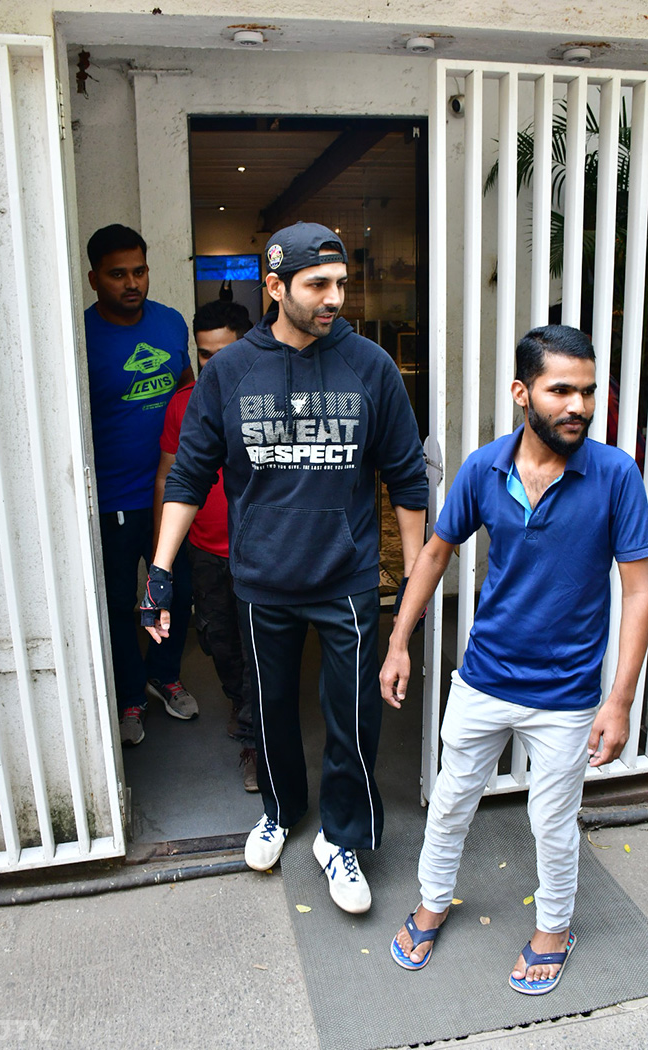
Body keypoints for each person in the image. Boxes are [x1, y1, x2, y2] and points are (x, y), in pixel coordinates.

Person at [142, 221, 428, 913]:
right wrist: (159, 572)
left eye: (340, 283)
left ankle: (343, 838)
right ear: (274, 287)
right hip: (262, 579)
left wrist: (412, 592)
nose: (335, 298)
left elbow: (409, 482)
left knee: (352, 717)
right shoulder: (233, 371)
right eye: (317, 285)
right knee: (268, 713)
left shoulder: (371, 367)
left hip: (348, 577)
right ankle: (281, 809)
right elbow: (188, 477)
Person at [380, 325, 648, 993]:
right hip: (483, 678)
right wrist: (398, 641)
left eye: (586, 391)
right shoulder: (484, 467)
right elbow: (436, 553)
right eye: (561, 390)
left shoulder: (616, 475)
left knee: (552, 823)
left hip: (566, 694)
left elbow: (639, 591)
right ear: (522, 393)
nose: (578, 406)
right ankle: (432, 903)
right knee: (449, 803)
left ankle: (553, 927)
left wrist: (619, 702)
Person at [85, 223, 197, 747]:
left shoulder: (172, 324)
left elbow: (189, 397)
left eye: (139, 271)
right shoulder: (80, 337)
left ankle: (163, 673)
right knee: (118, 603)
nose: (132, 283)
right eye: (117, 274)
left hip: (174, 495)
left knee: (179, 594)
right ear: (94, 279)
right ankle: (130, 694)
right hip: (111, 501)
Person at [153, 299, 258, 791]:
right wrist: (163, 561)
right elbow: (170, 476)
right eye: (203, 355)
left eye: (223, 354)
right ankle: (240, 704)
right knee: (220, 642)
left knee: (263, 649)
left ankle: (258, 747)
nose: (212, 365)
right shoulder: (184, 402)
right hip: (207, 551)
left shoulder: (268, 397)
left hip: (261, 552)